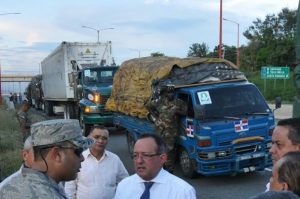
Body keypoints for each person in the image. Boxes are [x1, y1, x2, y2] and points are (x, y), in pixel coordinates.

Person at [0, 119, 94, 199]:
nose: (82, 158)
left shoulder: (14, 184)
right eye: (78, 151)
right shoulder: (45, 195)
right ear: (57, 154)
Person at [114, 133, 196, 199]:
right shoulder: (124, 186)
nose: (139, 161)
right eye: (135, 155)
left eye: (146, 155)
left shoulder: (183, 192)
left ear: (162, 158)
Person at [64, 126, 129, 199]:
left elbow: (125, 183)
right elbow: (70, 188)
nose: (100, 141)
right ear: (88, 137)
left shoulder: (115, 160)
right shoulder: (78, 158)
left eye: (104, 138)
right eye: (97, 137)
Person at [145, 85, 186, 172]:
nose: (171, 94)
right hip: (159, 129)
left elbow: (185, 112)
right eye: (169, 93)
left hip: (171, 131)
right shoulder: (160, 101)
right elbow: (148, 105)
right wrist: (155, 116)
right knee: (157, 148)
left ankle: (169, 169)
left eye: (172, 93)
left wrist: (177, 112)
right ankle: (159, 167)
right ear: (165, 94)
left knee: (170, 150)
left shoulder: (178, 102)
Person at [267, 117, 300, 191]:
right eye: (272, 143)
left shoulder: (276, 188)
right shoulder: (272, 185)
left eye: (279, 144)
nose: (271, 150)